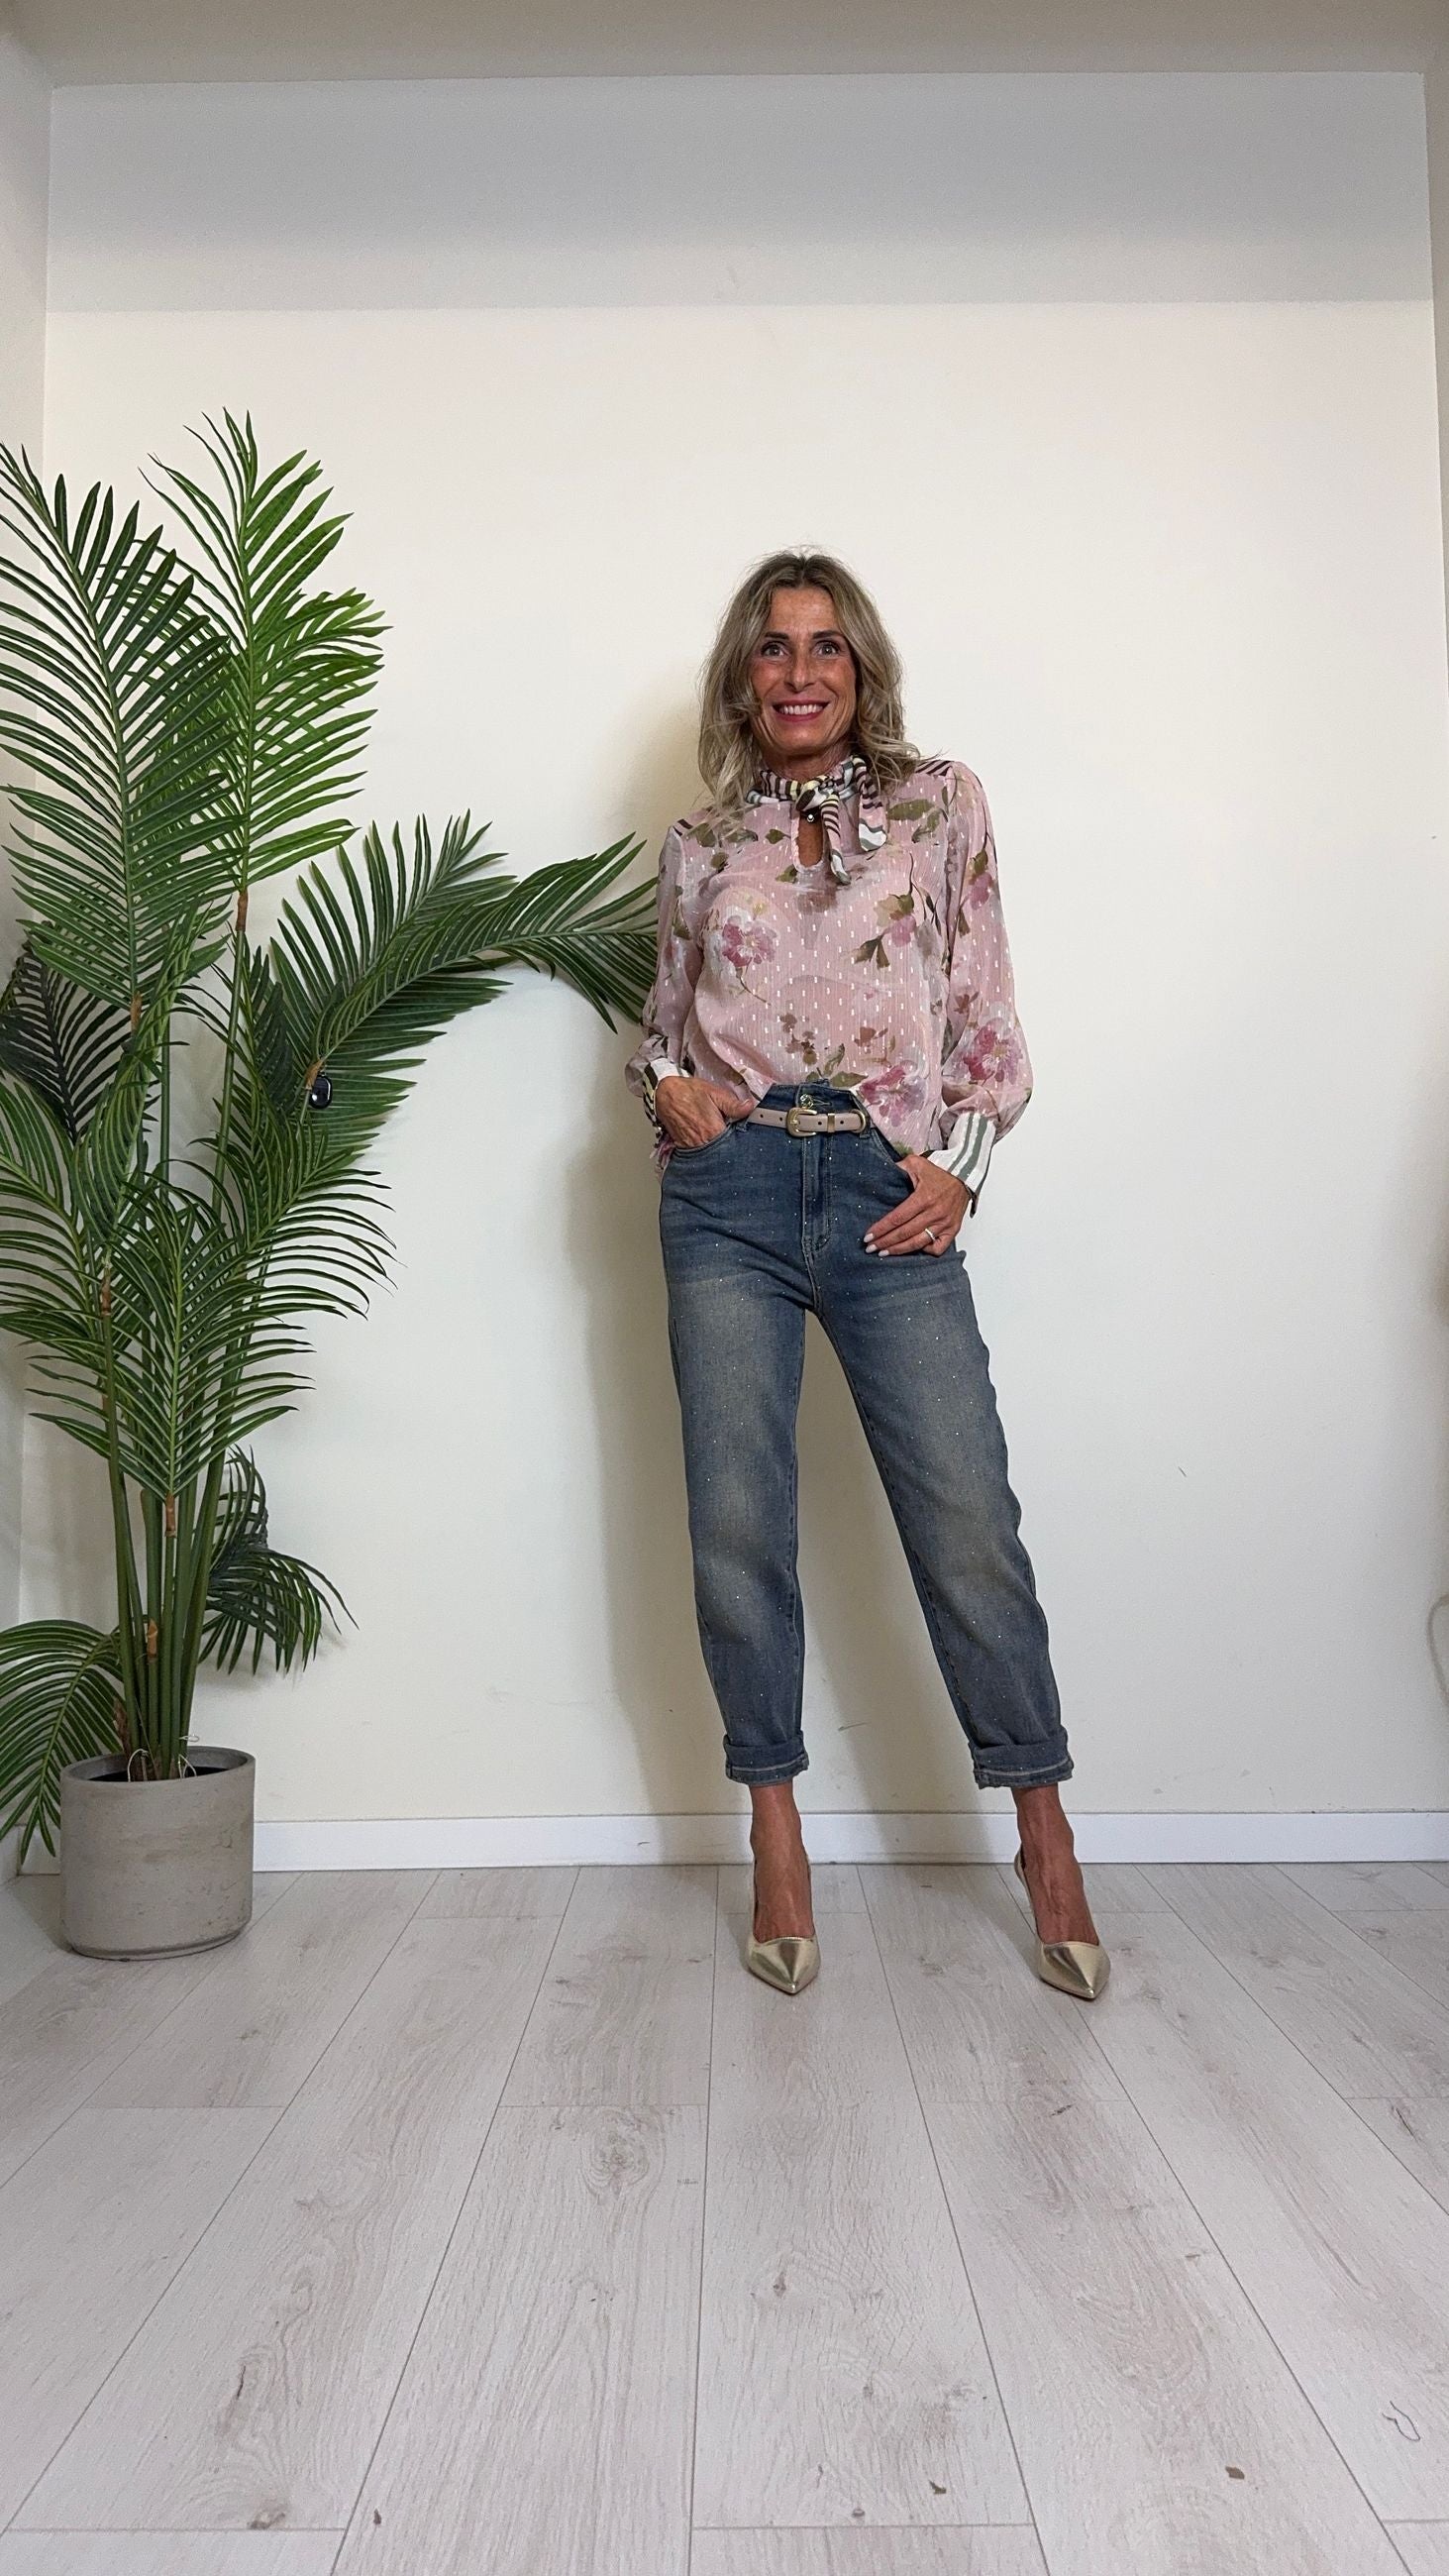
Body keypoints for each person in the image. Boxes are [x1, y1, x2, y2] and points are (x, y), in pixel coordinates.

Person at [626, 549, 1107, 2003]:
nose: (799, 672)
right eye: (774, 648)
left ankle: (1044, 1831)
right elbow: (661, 1021)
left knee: (966, 1519)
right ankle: (775, 1832)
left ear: (861, 668)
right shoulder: (699, 842)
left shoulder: (939, 803)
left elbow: (986, 1005)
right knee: (737, 1521)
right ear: (742, 676)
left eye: (825, 646)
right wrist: (667, 1087)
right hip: (730, 1196)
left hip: (890, 1192)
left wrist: (963, 1165)